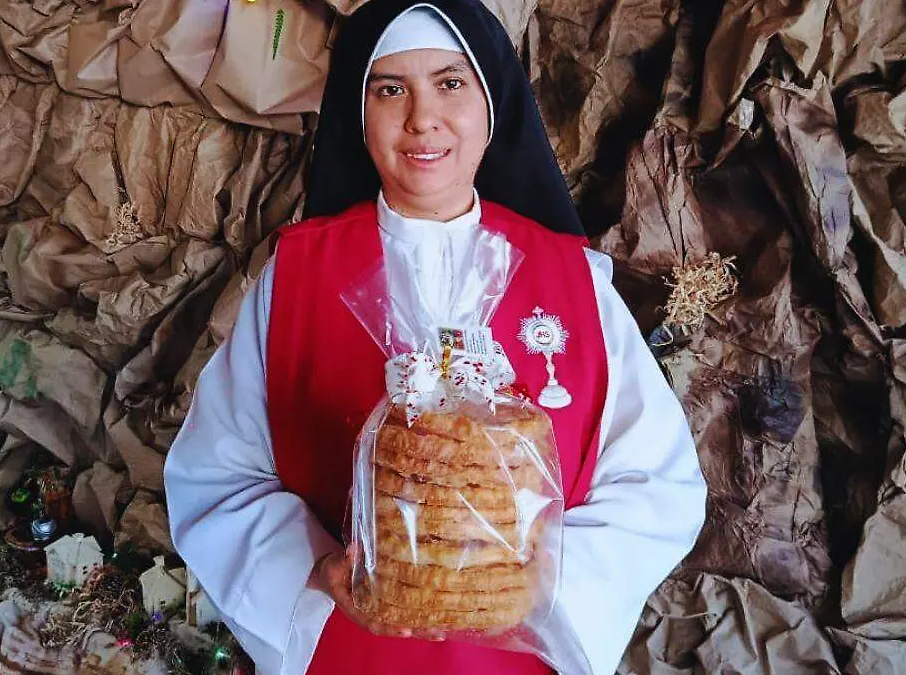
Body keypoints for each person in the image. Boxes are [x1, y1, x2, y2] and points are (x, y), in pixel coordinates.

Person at [163, 1, 707, 674]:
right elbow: (218, 476)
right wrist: (318, 570)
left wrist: (544, 581)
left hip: (521, 657)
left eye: (450, 83)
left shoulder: (576, 281)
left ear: (492, 105)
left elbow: (659, 482)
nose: (422, 117)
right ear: (357, 119)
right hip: (352, 650)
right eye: (390, 89)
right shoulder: (297, 276)